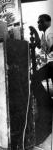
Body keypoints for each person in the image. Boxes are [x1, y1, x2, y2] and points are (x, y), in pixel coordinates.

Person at [30, 14, 53, 143]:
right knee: (35, 78)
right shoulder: (45, 34)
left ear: (46, 22)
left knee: (35, 79)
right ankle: (47, 103)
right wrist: (35, 33)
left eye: (39, 22)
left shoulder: (50, 33)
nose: (38, 24)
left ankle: (47, 103)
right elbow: (41, 46)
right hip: (50, 64)